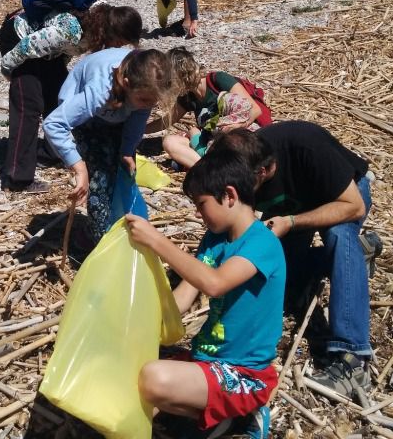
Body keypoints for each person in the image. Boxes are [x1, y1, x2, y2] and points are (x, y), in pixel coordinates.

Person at [209, 122, 379, 402]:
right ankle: (357, 257)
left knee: (339, 236)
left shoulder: (306, 147)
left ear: (264, 171)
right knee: (285, 279)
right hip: (293, 204)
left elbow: (354, 206)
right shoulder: (238, 160)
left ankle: (353, 359)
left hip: (341, 198)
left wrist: (291, 222)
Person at [125, 144, 285, 439]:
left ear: (230, 195)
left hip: (244, 374)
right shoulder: (216, 239)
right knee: (130, 380)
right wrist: (140, 324)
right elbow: (186, 294)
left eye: (201, 204)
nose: (199, 214)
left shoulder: (263, 244)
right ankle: (222, 416)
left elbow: (214, 283)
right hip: (206, 359)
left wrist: (157, 242)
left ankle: (242, 416)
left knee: (152, 380)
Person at [42, 40, 175, 244]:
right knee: (101, 175)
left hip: (117, 110)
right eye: (145, 100)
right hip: (86, 117)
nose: (148, 106)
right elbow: (53, 124)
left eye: (153, 102)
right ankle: (97, 239)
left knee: (118, 167)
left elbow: (138, 119)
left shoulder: (143, 91)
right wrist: (79, 167)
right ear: (127, 83)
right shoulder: (98, 91)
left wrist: (128, 151)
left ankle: (115, 221)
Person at [0, 4, 138, 193]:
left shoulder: (104, 23)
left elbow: (64, 52)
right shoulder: (70, 31)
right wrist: (9, 70)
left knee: (57, 95)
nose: (121, 47)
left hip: (48, 50)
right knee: (28, 106)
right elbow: (26, 47)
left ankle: (49, 154)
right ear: (111, 35)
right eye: (121, 42)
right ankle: (17, 178)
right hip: (19, 39)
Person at [148, 48, 270, 170]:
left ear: (180, 75)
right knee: (170, 142)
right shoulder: (188, 97)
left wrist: (238, 125)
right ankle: (211, 169)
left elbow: (254, 109)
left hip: (241, 136)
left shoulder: (218, 80)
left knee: (199, 134)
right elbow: (165, 121)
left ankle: (208, 167)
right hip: (213, 141)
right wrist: (139, 129)